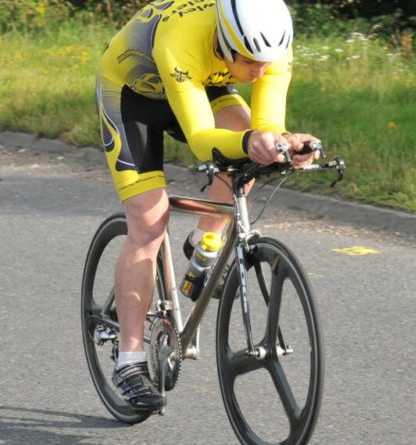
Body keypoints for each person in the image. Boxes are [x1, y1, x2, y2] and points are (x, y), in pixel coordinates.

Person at [94, 0, 320, 412]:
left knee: (254, 157)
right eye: (250, 61)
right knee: (149, 221)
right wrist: (252, 141)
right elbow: (201, 140)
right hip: (132, 96)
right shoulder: (182, 39)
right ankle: (129, 360)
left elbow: (267, 127)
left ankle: (205, 243)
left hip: (203, 84)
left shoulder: (270, 48)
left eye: (267, 62)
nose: (261, 71)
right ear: (225, 42)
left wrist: (284, 144)